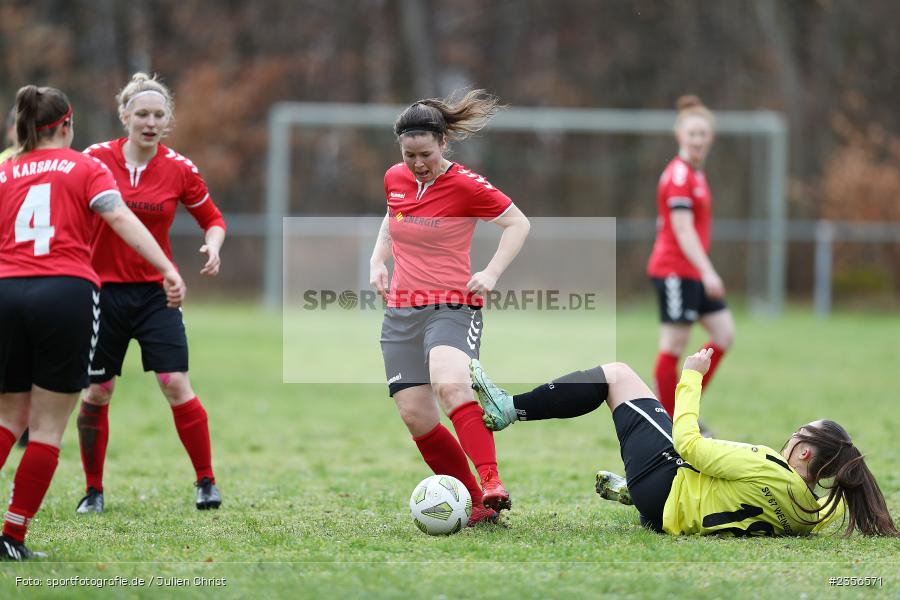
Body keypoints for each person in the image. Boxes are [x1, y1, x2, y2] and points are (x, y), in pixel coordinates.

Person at [0, 85, 186, 560]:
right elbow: (120, 219)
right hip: (65, 292)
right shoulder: (86, 166)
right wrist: (167, 268)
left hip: (5, 290)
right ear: (67, 125)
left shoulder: (4, 168)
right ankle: (12, 536)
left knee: (6, 418)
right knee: (45, 427)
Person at [469, 350, 899, 537]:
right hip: (674, 515)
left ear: (805, 453)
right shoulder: (816, 513)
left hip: (664, 483)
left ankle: (507, 407)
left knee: (616, 375)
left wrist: (691, 376)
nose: (791, 436)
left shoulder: (770, 466)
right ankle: (632, 492)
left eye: (799, 433)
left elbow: (689, 445)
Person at [369, 90, 530, 524]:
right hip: (402, 311)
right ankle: (479, 504)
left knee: (450, 384)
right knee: (416, 416)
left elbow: (518, 223)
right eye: (408, 156)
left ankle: (492, 480)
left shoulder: (466, 185)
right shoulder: (395, 178)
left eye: (424, 154)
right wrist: (377, 259)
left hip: (452, 306)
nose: (417, 164)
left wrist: (492, 273)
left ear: (443, 143)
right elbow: (392, 216)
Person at [75, 73, 226, 514]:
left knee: (175, 382)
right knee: (99, 390)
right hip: (101, 294)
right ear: (124, 116)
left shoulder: (180, 168)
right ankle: (93, 491)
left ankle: (206, 482)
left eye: (159, 115)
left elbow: (213, 219)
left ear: (167, 121)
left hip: (157, 294)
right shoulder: (94, 161)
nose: (150, 121)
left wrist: (212, 247)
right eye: (141, 113)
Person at [647, 96, 734, 423]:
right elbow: (683, 230)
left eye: (703, 134)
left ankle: (683, 407)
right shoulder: (680, 177)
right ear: (679, 135)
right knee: (673, 345)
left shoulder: (697, 174)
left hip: (692, 272)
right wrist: (708, 271)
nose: (697, 139)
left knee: (724, 334)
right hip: (674, 271)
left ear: (710, 138)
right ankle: (666, 420)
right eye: (692, 133)